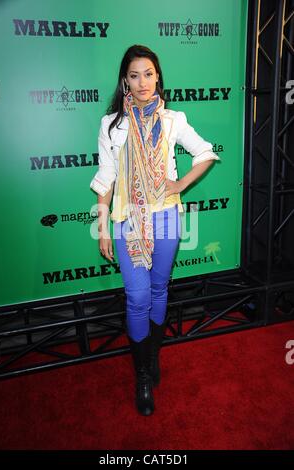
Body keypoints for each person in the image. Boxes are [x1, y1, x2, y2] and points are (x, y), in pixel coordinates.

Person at [90, 44, 220, 416]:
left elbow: (206, 152)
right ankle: (143, 374)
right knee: (137, 297)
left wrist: (179, 186)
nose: (143, 82)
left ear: (158, 76)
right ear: (125, 81)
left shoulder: (174, 119)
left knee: (160, 288)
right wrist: (102, 228)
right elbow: (106, 178)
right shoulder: (111, 124)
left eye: (148, 73)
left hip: (166, 218)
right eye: (134, 75)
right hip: (127, 220)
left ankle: (153, 355)